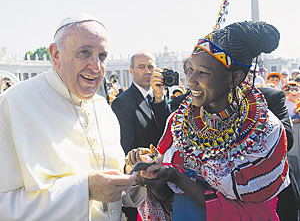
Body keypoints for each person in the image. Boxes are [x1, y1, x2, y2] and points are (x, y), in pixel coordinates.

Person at [129, 21, 290, 220]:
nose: (191, 80)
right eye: (190, 69)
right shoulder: (179, 121)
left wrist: (177, 176)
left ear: (236, 77)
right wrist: (152, 174)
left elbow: (251, 211)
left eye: (203, 72)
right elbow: (168, 199)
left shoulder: (266, 130)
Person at [0, 14, 146, 220]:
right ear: (56, 55)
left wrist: (135, 177)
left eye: (102, 56)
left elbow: (113, 198)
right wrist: (84, 191)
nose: (96, 66)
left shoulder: (103, 108)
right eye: (85, 53)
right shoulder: (11, 105)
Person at [111, 51, 171, 220]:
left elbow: (166, 134)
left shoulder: (156, 97)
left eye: (150, 66)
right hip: (142, 190)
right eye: (141, 67)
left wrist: (160, 99)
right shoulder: (122, 102)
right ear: (131, 71)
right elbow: (126, 150)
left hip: (163, 182)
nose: (147, 71)